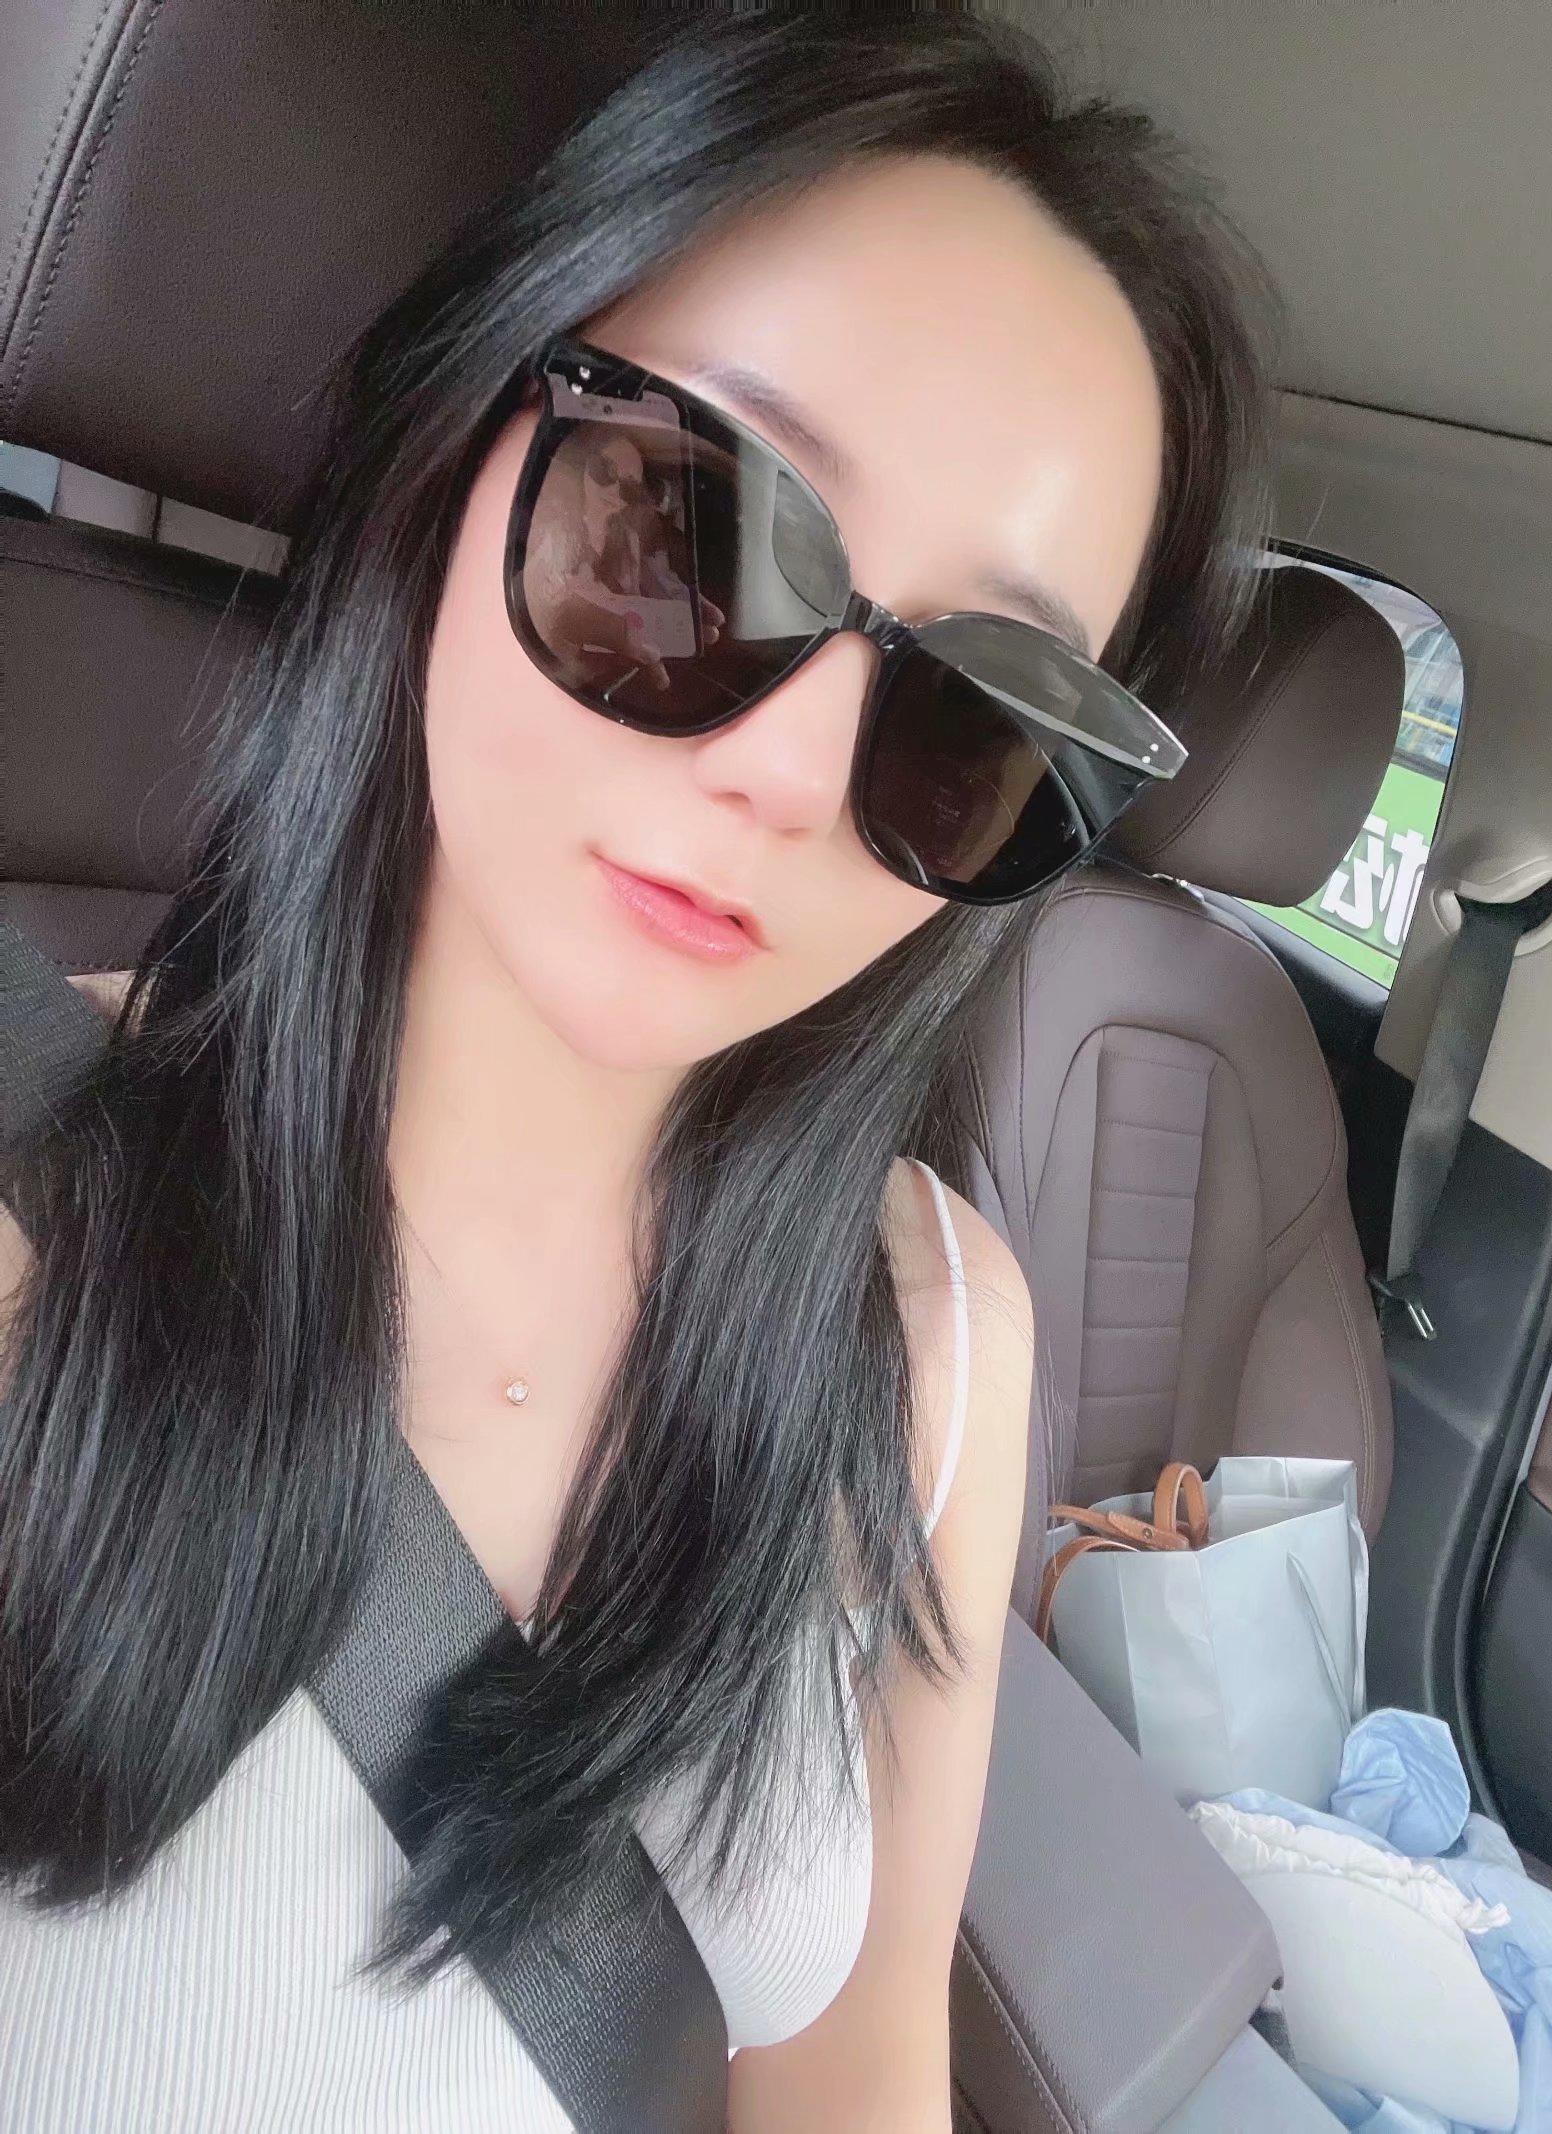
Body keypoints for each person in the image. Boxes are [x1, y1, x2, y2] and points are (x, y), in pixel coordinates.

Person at [0, 12, 1271, 2130]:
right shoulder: (33, 1218)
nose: (791, 770)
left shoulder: (935, 1339)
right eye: (693, 527)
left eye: (975, 715)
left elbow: (855, 2079)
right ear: (462, 443)